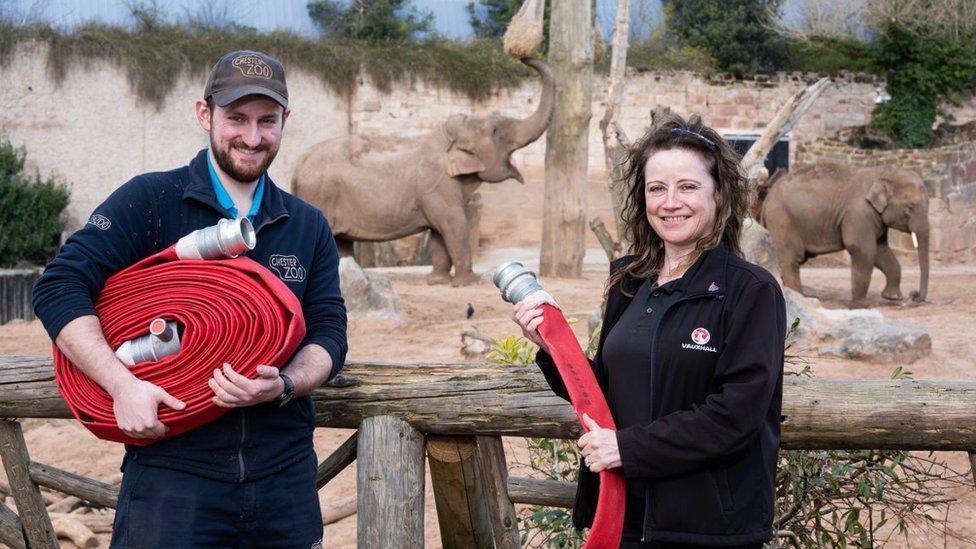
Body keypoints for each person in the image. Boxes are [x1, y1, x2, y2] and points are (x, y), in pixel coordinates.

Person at [32, 50, 346, 548]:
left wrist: (285, 384)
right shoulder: (150, 200)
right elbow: (58, 285)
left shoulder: (306, 224)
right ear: (205, 115)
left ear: (286, 121)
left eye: (268, 121)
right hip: (173, 477)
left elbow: (329, 331)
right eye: (236, 118)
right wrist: (121, 386)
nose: (252, 136)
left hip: (284, 478)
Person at [513, 113, 785, 548]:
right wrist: (550, 348)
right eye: (656, 188)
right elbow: (602, 395)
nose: (670, 201)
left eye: (688, 187)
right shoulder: (629, 281)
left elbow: (736, 416)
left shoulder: (750, 291)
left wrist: (628, 448)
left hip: (708, 530)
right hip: (622, 519)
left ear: (720, 195)